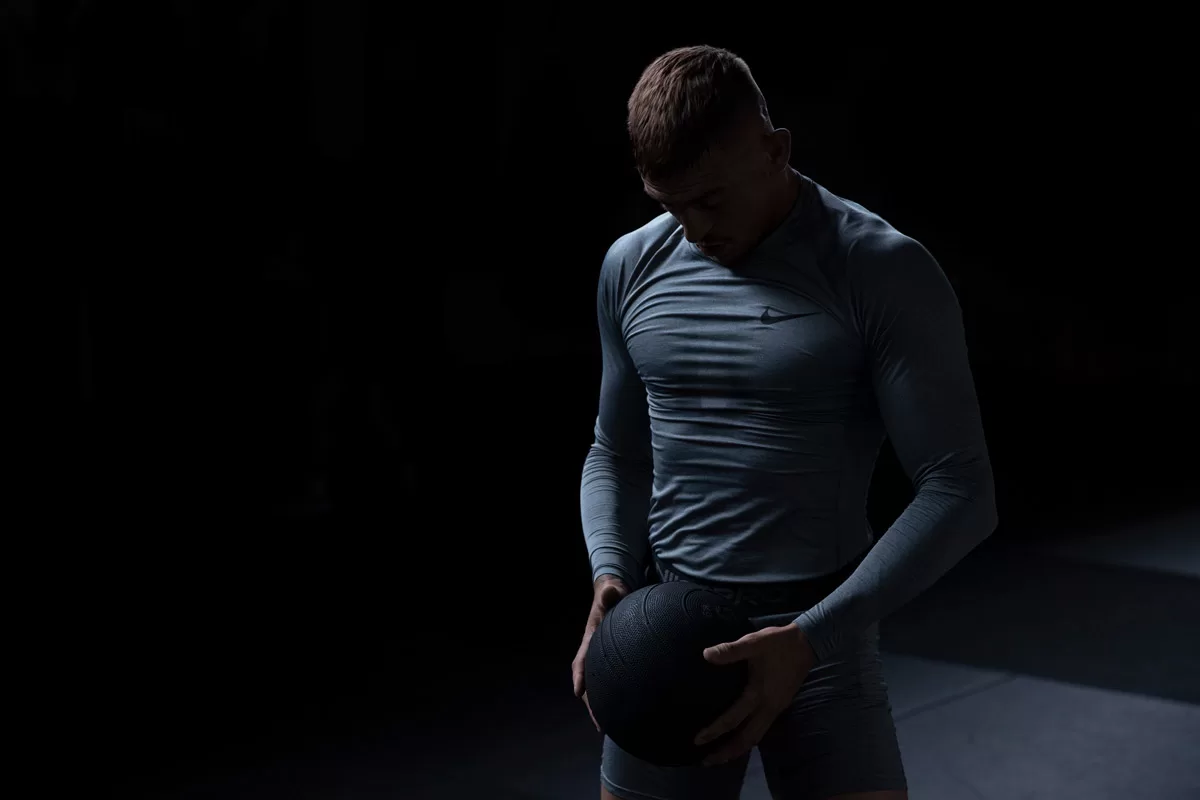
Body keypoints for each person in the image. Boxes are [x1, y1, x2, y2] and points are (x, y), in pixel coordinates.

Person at [572, 45, 999, 800]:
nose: (693, 228)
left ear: (775, 150)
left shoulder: (880, 269)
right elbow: (616, 448)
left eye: (710, 199)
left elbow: (961, 489)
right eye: (669, 204)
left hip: (821, 638)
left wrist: (813, 638)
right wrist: (610, 572)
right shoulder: (632, 266)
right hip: (669, 635)